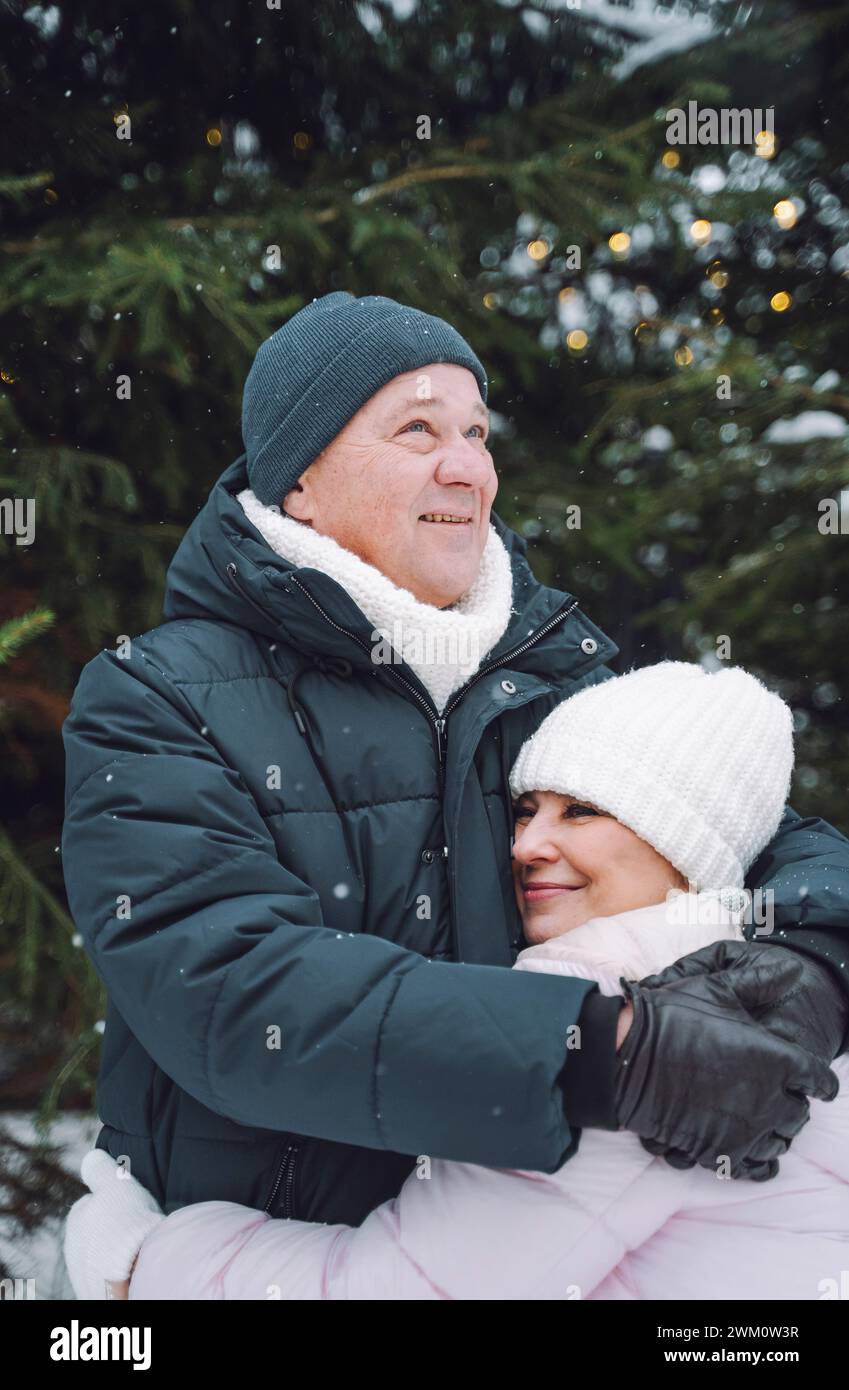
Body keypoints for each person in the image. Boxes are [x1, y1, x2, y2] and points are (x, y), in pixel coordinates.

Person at [60, 292, 849, 1248]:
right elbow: (229, 987)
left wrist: (813, 960)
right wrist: (595, 1054)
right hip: (267, 1252)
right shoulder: (159, 697)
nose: (467, 465)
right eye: (418, 428)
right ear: (298, 479)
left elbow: (766, 828)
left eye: (477, 432)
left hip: (519, 1248)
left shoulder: (551, 669)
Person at [64, 663, 849, 1301]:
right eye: (525, 809)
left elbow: (399, 1291)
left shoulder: (628, 1011)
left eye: (581, 813)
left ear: (689, 846)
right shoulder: (771, 980)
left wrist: (147, 1261)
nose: (524, 845)